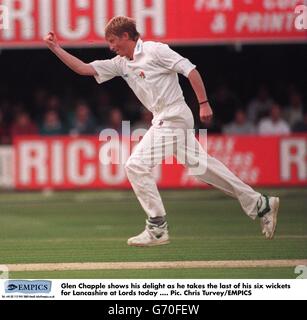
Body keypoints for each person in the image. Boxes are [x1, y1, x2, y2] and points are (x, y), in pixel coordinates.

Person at [44, 16, 279, 247]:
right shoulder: (121, 63)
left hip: (173, 116)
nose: (111, 47)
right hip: (164, 118)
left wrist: (204, 103)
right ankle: (260, 204)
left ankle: (157, 227)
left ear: (126, 36)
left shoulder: (156, 51)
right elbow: (83, 69)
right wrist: (56, 48)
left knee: (135, 165)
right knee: (203, 168)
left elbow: (191, 71)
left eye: (113, 41)